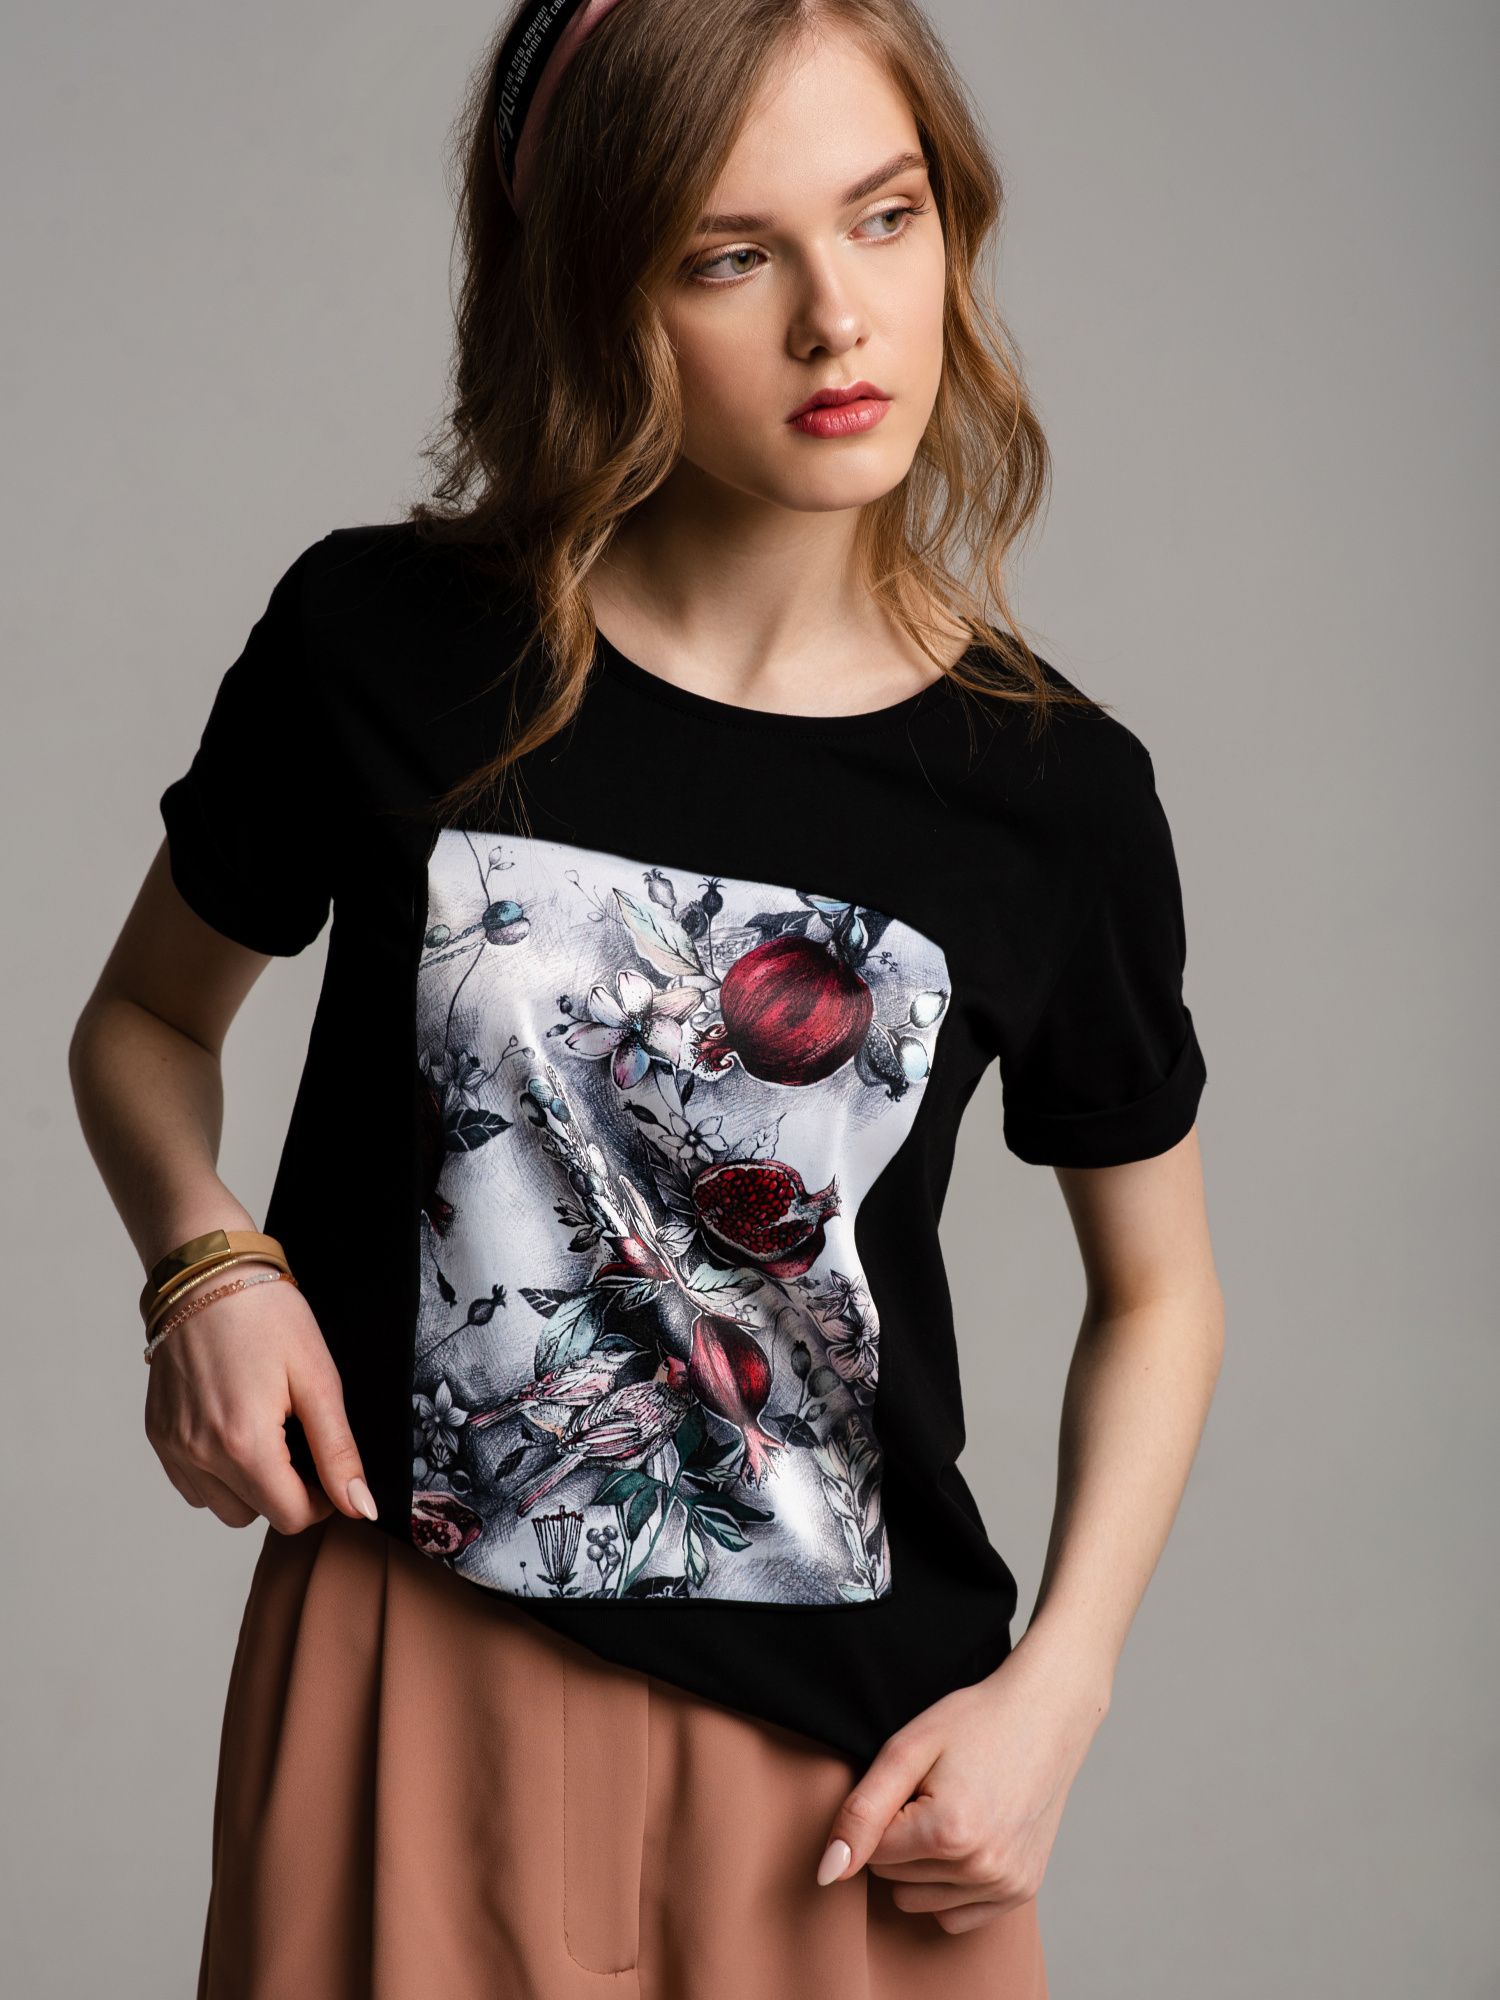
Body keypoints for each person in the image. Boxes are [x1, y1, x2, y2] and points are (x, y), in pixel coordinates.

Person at [68, 2, 1225, 1995]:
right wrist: (206, 1266)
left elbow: (1163, 1291)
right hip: (406, 1681)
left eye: (886, 216)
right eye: (729, 255)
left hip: (855, 1778)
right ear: (595, 296)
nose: (839, 321)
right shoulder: (385, 646)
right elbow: (146, 1024)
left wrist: (1061, 1688)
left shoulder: (1054, 799)